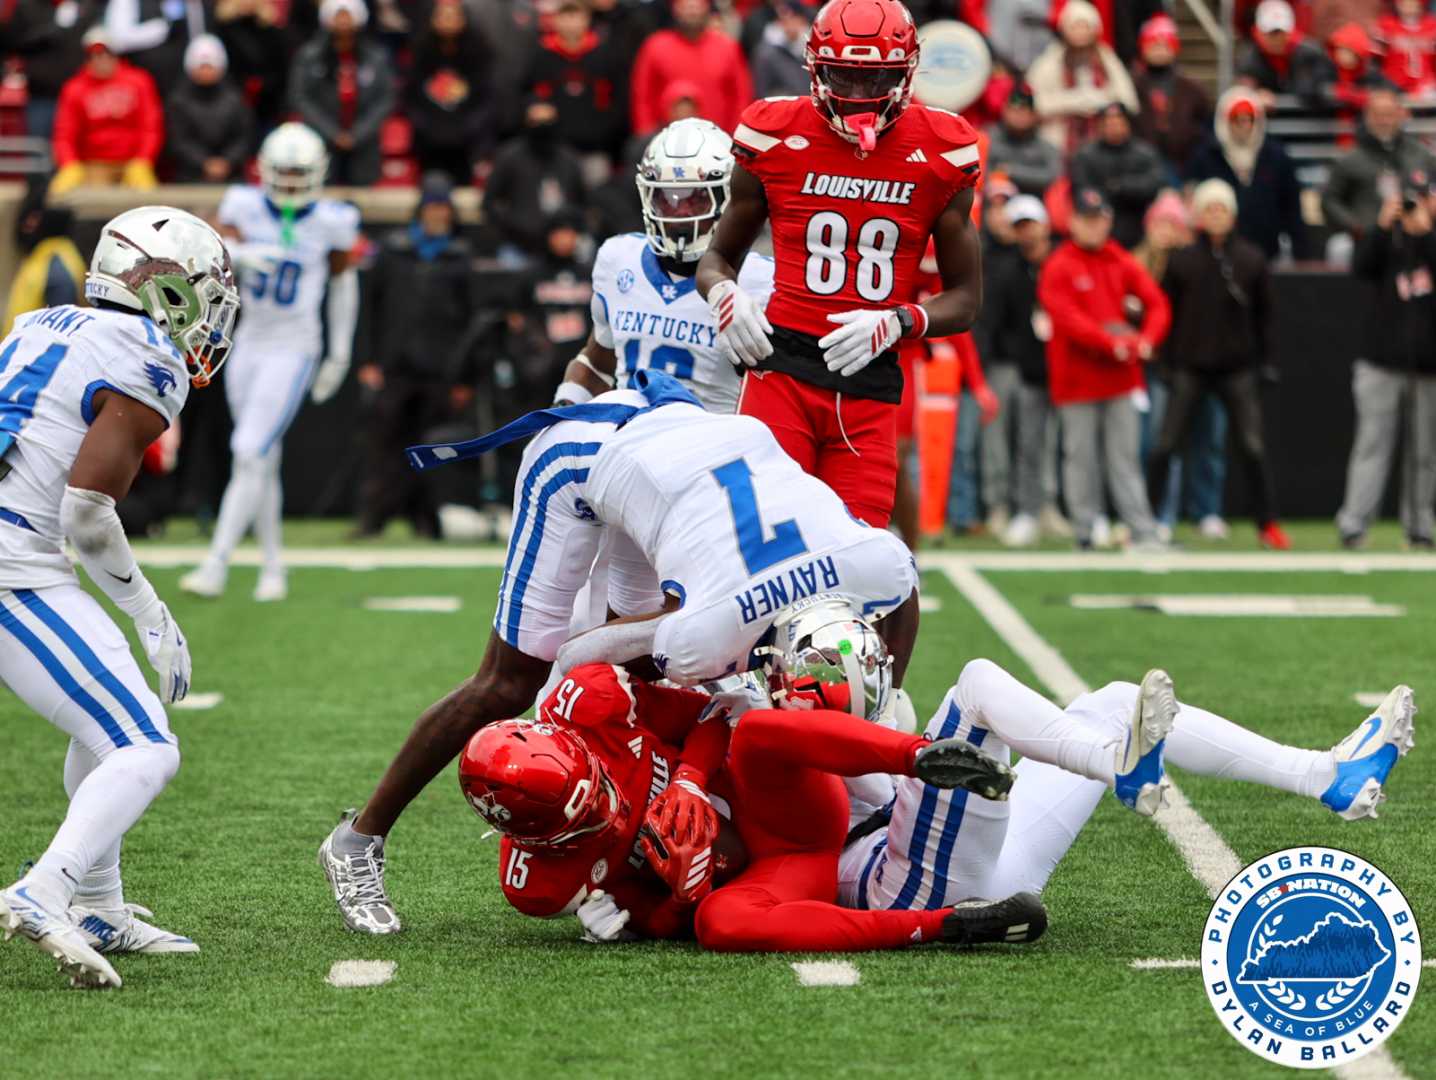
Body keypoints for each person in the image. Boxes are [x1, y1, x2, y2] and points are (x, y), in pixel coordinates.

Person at [317, 371, 923, 934]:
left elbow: (903, 593)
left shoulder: (872, 567)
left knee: (715, 693)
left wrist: (887, 696)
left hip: (681, 450)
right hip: (586, 460)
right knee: (510, 682)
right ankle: (358, 840)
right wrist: (573, 711)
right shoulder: (709, 632)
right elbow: (585, 659)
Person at [0, 207, 241, 988]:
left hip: (19, 555)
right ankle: (45, 891)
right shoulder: (144, 356)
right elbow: (87, 515)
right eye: (200, 293)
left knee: (112, 718)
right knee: (147, 746)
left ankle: (99, 903)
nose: (207, 313)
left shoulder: (41, 321)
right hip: (13, 565)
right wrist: (149, 612)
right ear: (166, 291)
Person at [460, 657, 1045, 951]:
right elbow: (664, 919)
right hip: (772, 875)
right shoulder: (539, 884)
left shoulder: (593, 701)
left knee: (761, 729)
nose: (608, 810)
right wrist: (676, 906)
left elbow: (715, 713)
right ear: (537, 840)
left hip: (779, 803)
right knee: (721, 924)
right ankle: (944, 928)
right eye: (584, 823)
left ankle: (918, 754)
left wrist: (688, 779)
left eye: (596, 788)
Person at [696, 0, 984, 530]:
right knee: (768, 553)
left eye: (875, 77)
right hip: (779, 370)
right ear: (814, 67)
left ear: (907, 72)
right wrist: (724, 298)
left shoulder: (943, 151)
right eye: (843, 77)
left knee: (866, 566)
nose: (857, 95)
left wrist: (900, 321)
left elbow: (965, 299)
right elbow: (716, 258)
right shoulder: (773, 133)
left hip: (868, 381)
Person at [841, 660, 1416, 911]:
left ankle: (1325, 775)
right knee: (976, 683)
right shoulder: (759, 739)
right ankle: (1117, 766)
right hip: (902, 882)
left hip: (961, 864)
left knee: (1117, 701)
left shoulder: (770, 720)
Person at [180, 124, 360, 602]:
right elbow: (203, 246)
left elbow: (343, 287)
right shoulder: (242, 205)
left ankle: (217, 562)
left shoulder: (332, 220)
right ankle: (273, 569)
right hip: (248, 342)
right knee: (262, 459)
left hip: (294, 346)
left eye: (299, 172)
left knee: (248, 450)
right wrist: (240, 252)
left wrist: (338, 354)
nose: (291, 182)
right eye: (284, 172)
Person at [554, 119, 775, 414]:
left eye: (695, 199)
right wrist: (564, 407)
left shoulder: (762, 280)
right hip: (628, 444)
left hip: (710, 451)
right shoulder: (619, 259)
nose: (680, 213)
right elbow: (597, 362)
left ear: (727, 197)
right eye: (667, 199)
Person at [1148, 180, 1290, 550]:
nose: (1215, 215)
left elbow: (1266, 317)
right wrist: (1165, 361)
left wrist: (1267, 362)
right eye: (1209, 208)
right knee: (1165, 444)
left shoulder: (1250, 259)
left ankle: (1267, 523)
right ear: (1198, 215)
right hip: (1189, 366)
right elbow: (1166, 315)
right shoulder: (1181, 260)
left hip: (1236, 367)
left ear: (1232, 215)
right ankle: (1149, 520)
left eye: (1222, 209)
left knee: (1252, 445)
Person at [1038, 186, 1170, 549]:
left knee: (1124, 459)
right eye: (1087, 219)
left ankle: (1141, 530)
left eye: (1100, 219)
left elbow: (1157, 304)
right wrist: (1117, 343)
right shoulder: (1060, 264)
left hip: (1120, 378)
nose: (1094, 227)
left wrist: (1146, 341)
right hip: (1077, 380)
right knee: (1080, 459)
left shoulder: (1119, 259)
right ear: (1074, 222)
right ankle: (1086, 529)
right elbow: (1068, 321)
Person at [354, 176, 477, 539]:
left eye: (443, 209)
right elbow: (371, 309)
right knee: (385, 446)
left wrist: (464, 377)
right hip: (396, 366)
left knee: (432, 448)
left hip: (440, 370)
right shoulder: (393, 253)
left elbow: (469, 319)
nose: (437, 215)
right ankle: (374, 517)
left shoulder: (458, 257)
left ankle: (427, 519)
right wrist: (369, 359)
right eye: (432, 208)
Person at [1336, 171, 1436, 549]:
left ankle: (1420, 525)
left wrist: (1425, 234)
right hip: (1380, 361)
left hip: (1428, 367)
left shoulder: (1430, 241)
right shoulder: (1389, 240)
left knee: (1426, 452)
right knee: (1371, 446)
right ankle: (1354, 523)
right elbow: (1360, 268)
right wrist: (1380, 226)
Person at [978, 195, 1063, 547]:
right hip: (1006, 364)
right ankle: (1000, 506)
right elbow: (989, 321)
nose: (1026, 232)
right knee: (1001, 439)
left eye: (1031, 224)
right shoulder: (1002, 268)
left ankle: (1044, 506)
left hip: (1053, 365)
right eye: (1020, 226)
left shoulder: (1060, 264)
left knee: (1047, 441)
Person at [1186, 87, 1307, 261]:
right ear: (1225, 120)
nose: (1244, 125)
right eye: (1237, 119)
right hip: (1216, 253)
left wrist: (1300, 254)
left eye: (1249, 119)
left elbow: (1292, 207)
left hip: (1268, 250)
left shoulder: (1276, 156)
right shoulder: (1206, 156)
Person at [288, 0, 396, 186]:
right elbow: (300, 97)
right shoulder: (309, 56)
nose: (343, 22)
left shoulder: (376, 57)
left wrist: (357, 133)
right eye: (339, 15)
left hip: (364, 144)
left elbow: (386, 98)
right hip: (321, 141)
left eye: (348, 15)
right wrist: (333, 133)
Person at [49, 28, 163, 196]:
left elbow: (151, 126)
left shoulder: (139, 82)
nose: (100, 59)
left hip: (133, 163)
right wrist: (69, 164)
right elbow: (64, 133)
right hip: (95, 164)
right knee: (88, 202)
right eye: (93, 55)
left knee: (145, 200)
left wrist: (143, 160)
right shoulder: (74, 88)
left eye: (106, 53)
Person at [1322, 87, 1436, 242]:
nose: (1384, 120)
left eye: (1389, 114)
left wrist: (1429, 212)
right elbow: (1329, 200)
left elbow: (1432, 192)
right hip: (1365, 239)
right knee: (1340, 247)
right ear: (1366, 117)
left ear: (1401, 114)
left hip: (1417, 236)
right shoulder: (1350, 159)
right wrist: (1357, 227)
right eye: (1377, 115)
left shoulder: (1420, 154)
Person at [1025, 0, 1138, 156]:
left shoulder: (1107, 59)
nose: (1080, 33)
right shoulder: (1050, 60)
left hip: (1102, 146)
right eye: (1075, 27)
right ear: (1065, 29)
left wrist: (1101, 101)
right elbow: (1031, 104)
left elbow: (1129, 101)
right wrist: (1073, 101)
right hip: (1057, 144)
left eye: (1085, 27)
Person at [524, 0, 629, 163]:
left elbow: (619, 97)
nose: (571, 24)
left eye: (576, 17)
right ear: (555, 20)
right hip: (553, 147)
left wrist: (604, 130)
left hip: (596, 146)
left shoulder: (605, 54)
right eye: (565, 17)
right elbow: (528, 92)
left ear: (587, 19)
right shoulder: (541, 55)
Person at [484, 99, 588, 263]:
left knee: (590, 253)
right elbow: (490, 203)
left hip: (566, 247)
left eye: (547, 122)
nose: (542, 129)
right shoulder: (509, 158)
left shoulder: (569, 160)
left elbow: (582, 203)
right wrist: (513, 230)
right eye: (536, 122)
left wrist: (569, 232)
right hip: (519, 246)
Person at [629, 0, 753, 135]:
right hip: (665, 142)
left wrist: (735, 139)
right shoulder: (655, 46)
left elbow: (741, 96)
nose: (692, 11)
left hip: (718, 142)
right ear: (675, 9)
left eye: (697, 6)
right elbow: (642, 94)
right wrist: (647, 135)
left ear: (707, 9)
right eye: (686, 6)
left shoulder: (728, 48)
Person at [405, 0, 494, 183]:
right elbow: (410, 97)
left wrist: (467, 127)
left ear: (464, 20)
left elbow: (486, 98)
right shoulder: (420, 51)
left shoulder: (479, 53)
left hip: (466, 141)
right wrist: (427, 126)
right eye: (442, 16)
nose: (447, 21)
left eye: (453, 16)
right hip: (429, 140)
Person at [1069, 102, 1166, 249]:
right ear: (1099, 126)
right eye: (1108, 123)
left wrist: (1120, 187)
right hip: (1098, 222)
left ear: (1128, 125)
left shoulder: (1144, 153)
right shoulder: (1086, 155)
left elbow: (1154, 184)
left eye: (1118, 122)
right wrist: (1103, 200)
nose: (1113, 127)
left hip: (1137, 220)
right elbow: (1082, 190)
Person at [4, 0, 104, 138]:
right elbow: (12, 43)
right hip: (43, 95)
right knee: (39, 149)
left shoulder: (87, 6)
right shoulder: (27, 7)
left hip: (82, 97)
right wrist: (54, 29)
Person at [165, 35, 253, 184]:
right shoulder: (178, 101)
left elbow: (245, 136)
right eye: (201, 66)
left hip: (232, 174)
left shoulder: (235, 99)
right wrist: (204, 163)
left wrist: (227, 161)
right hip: (190, 176)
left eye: (210, 66)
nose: (206, 71)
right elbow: (178, 140)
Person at [1131, 14, 1211, 177]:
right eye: (1153, 45)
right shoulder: (1131, 86)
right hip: (1140, 165)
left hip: (1184, 163)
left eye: (1165, 45)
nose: (1159, 51)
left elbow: (1205, 124)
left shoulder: (1192, 89)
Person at [3, 182, 85, 337]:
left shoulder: (58, 265)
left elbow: (59, 331)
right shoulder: (43, 254)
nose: (29, 224)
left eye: (36, 218)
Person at [1236, 0, 1330, 100]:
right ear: (1258, 32)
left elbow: (1322, 88)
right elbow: (1243, 89)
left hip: (1309, 114)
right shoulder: (1249, 58)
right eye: (1271, 33)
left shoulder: (1311, 55)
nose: (1277, 39)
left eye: (1281, 32)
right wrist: (1255, 95)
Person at [985, 84, 1063, 199]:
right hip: (993, 202)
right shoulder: (989, 139)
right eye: (1014, 110)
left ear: (1034, 115)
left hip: (1032, 203)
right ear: (1004, 111)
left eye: (1024, 111)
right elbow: (981, 173)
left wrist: (1010, 171)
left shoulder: (1045, 146)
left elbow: (1052, 176)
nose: (1018, 116)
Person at [750, 0, 816, 100]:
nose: (789, 24)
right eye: (784, 20)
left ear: (802, 20)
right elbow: (761, 91)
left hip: (809, 107)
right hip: (781, 110)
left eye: (794, 18)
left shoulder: (813, 49)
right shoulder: (766, 53)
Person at [1375, 0, 1436, 98]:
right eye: (1405, 4)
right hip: (1393, 82)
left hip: (1426, 84)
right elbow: (1376, 57)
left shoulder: (1432, 25)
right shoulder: (1386, 24)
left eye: (1413, 3)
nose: (1409, 7)